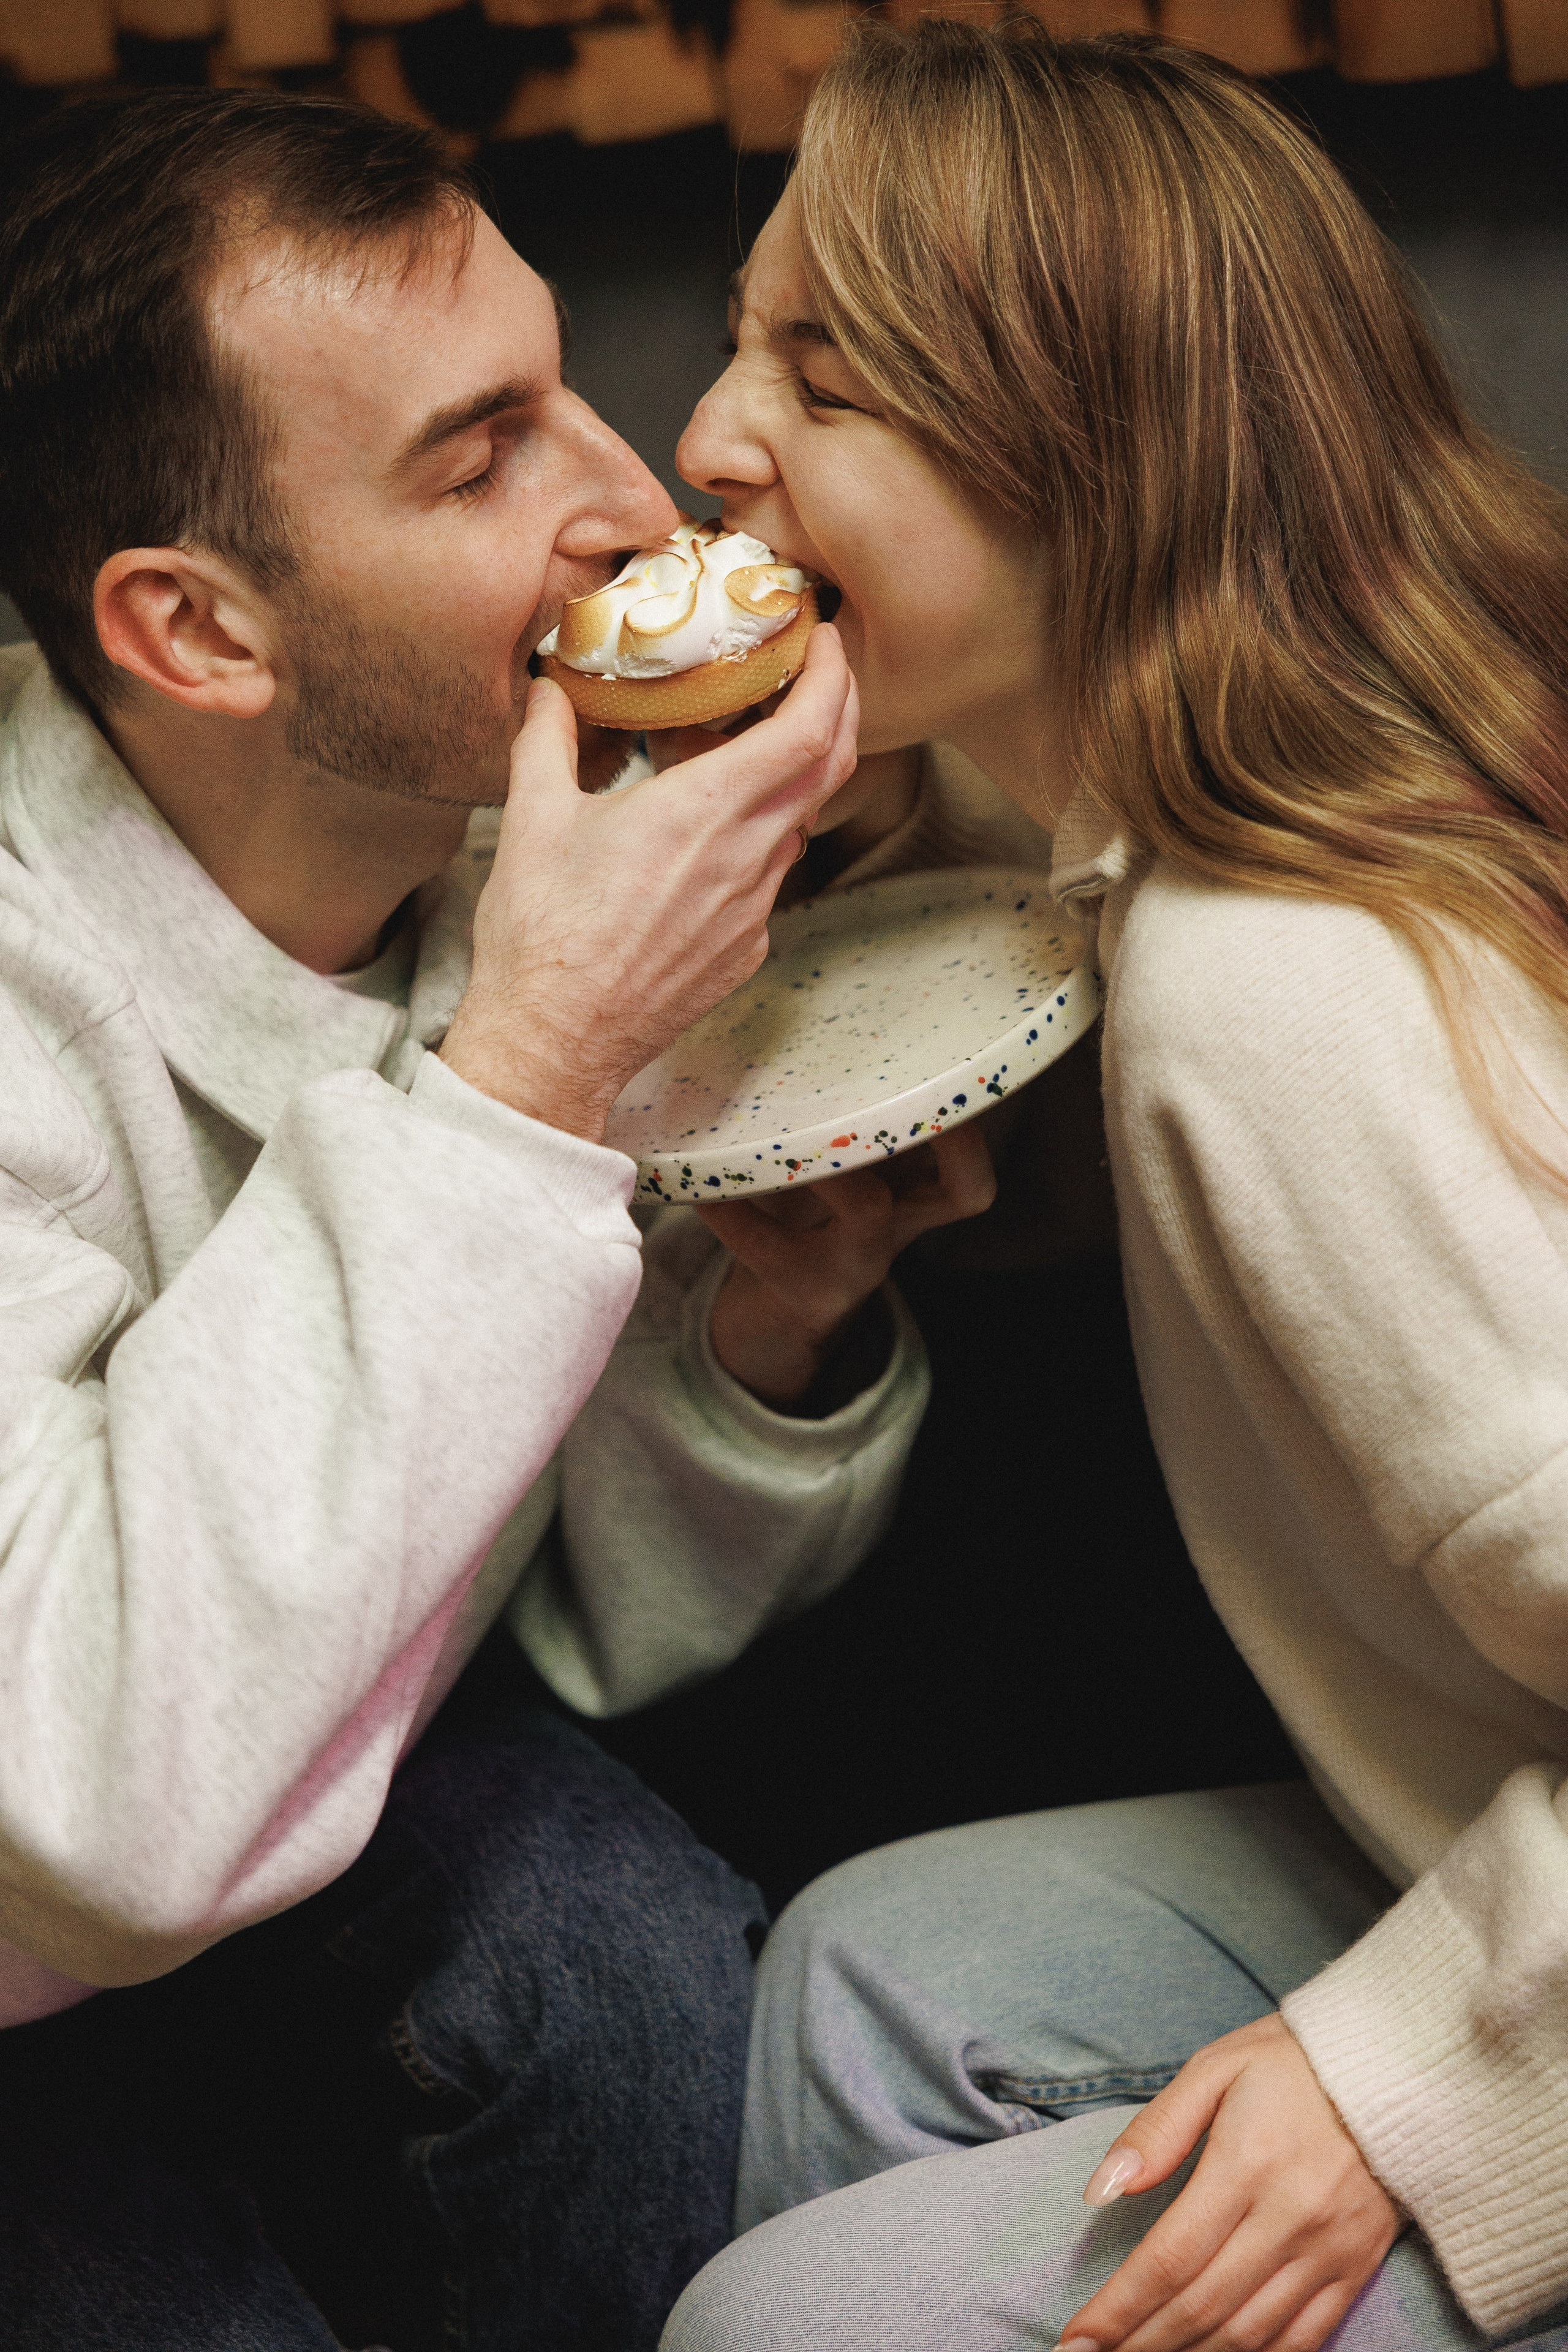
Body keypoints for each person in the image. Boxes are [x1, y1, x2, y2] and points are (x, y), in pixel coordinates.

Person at [0, 85, 1001, 2352]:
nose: (634, 502)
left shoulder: (494, 865)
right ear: (200, 630)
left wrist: (760, 1341)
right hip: (44, 1906)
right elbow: (95, 1809)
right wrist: (529, 1070)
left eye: (569, 388)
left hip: (341, 1827)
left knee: (625, 1959)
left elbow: (556, 1628)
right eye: (480, 460)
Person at [660, 21, 1568, 2351]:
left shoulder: (1281, 991)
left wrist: (1425, 2086)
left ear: (1093, 469)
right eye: (748, 334)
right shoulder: (1229, 811)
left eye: (827, 383)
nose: (706, 437)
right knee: (871, 1975)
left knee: (776, 2328)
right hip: (1481, 1812)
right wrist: (841, 803)